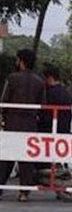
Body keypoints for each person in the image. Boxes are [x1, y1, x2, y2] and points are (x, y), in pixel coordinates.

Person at [0, 49, 45, 202]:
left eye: (17, 59)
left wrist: (3, 116)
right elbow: (42, 105)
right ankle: (24, 193)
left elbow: (4, 101)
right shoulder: (39, 81)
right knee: (26, 159)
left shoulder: (12, 78)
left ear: (21, 61)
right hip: (30, 124)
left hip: (12, 122)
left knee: (6, 157)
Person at [38, 63, 72, 134]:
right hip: (64, 130)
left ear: (50, 78)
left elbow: (45, 115)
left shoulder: (48, 94)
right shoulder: (67, 93)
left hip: (48, 131)